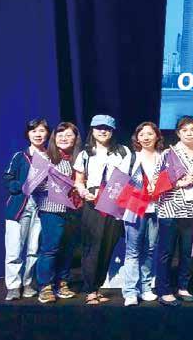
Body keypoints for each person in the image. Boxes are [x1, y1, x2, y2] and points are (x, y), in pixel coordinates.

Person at [74, 114, 131, 305]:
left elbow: (126, 178)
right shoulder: (84, 154)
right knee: (93, 245)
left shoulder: (123, 151)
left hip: (114, 201)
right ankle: (90, 289)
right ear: (92, 130)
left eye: (107, 128)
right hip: (93, 202)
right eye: (99, 128)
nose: (103, 131)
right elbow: (79, 181)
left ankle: (97, 287)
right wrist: (83, 192)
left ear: (113, 131)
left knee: (108, 245)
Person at [155, 115, 193, 307]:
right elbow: (157, 181)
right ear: (178, 133)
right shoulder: (169, 153)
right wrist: (179, 183)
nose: (189, 133)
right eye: (184, 130)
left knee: (187, 253)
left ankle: (183, 287)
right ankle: (164, 290)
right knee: (166, 252)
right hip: (170, 209)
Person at [33, 122, 82, 303]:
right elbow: (34, 185)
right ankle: (45, 286)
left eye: (68, 135)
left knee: (68, 249)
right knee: (50, 248)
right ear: (54, 138)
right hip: (51, 209)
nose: (64, 138)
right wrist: (59, 186)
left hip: (74, 209)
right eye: (60, 135)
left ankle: (62, 283)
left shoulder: (80, 158)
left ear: (75, 139)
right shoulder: (45, 157)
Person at [2, 118, 49, 301]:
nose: (38, 134)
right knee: (14, 249)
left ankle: (28, 283)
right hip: (19, 208)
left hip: (42, 208)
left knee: (34, 249)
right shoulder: (20, 156)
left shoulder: (51, 157)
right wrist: (21, 186)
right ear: (28, 134)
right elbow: (7, 179)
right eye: (33, 131)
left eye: (42, 130)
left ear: (47, 134)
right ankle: (13, 286)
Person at [121, 122, 164, 306]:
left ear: (157, 136)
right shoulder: (131, 157)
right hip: (134, 209)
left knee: (150, 250)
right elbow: (119, 183)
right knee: (132, 251)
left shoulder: (163, 157)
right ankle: (130, 292)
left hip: (157, 209)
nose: (146, 137)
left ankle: (146, 288)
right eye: (142, 134)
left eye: (150, 134)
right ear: (137, 138)